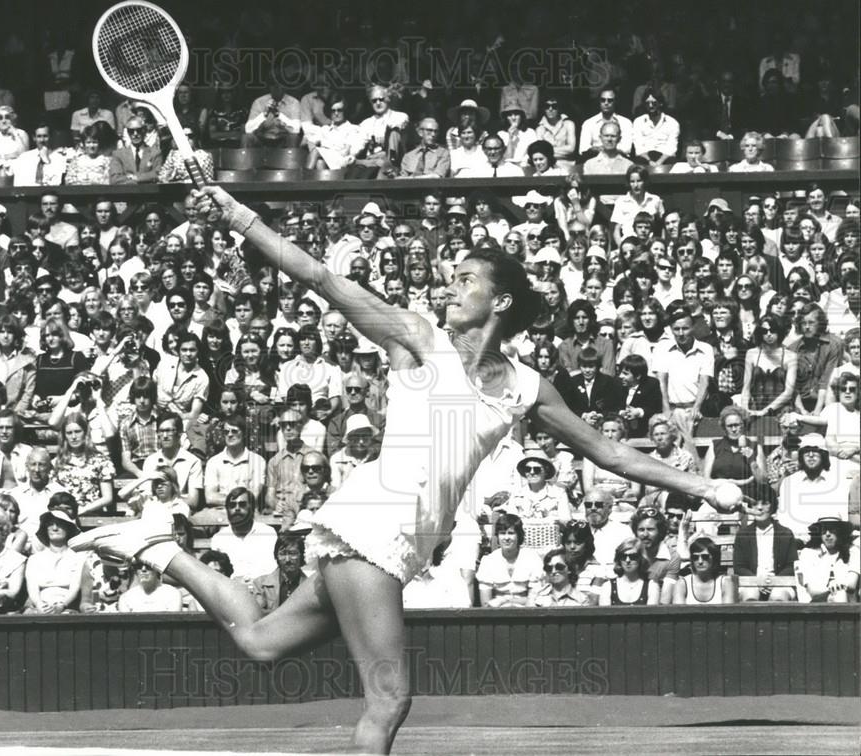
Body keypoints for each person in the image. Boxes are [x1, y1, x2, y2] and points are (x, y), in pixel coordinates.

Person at [73, 184, 735, 754]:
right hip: (374, 529)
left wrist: (701, 484)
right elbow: (322, 279)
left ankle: (156, 547)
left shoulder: (529, 387)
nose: (452, 285)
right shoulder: (420, 340)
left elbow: (609, 451)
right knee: (388, 700)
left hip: (380, 539)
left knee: (262, 643)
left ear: (501, 301)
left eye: (466, 279)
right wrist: (238, 217)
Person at [733, 483, 798, 602]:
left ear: (773, 507)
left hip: (780, 583)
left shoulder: (785, 534)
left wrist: (775, 581)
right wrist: (756, 580)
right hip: (751, 582)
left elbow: (791, 565)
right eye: (754, 504)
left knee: (778, 596)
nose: (759, 508)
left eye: (765, 503)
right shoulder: (743, 535)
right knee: (750, 596)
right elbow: (739, 567)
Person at [475, 514, 542, 607]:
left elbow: (534, 600)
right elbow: (486, 604)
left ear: (519, 535)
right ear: (497, 536)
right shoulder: (488, 561)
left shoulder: (532, 558)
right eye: (502, 533)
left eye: (511, 533)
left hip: (527, 613)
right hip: (496, 615)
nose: (506, 538)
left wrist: (504, 600)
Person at [796, 517, 859, 602]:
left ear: (840, 531)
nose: (828, 534)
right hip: (814, 606)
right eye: (824, 529)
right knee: (839, 594)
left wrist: (838, 584)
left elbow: (852, 584)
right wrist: (833, 587)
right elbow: (812, 590)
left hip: (847, 603)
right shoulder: (808, 553)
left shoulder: (853, 551)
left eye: (832, 529)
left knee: (840, 594)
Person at [251, 533, 307, 613]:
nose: (287, 560)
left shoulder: (310, 586)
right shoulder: (260, 584)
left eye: (293, 553)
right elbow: (256, 613)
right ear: (276, 556)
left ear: (301, 555)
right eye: (282, 554)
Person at [673, 537, 736, 604]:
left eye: (705, 557)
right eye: (695, 557)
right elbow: (679, 613)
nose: (700, 561)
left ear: (714, 558)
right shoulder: (682, 584)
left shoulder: (725, 583)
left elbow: (727, 612)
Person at [598, 537, 660, 606]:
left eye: (633, 556)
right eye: (623, 556)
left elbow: (652, 615)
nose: (627, 560)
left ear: (641, 558)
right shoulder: (607, 586)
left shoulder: (651, 586)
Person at [580, 88, 633, 158]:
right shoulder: (589, 123)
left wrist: (600, 148)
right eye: (603, 100)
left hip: (619, 160)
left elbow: (627, 149)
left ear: (615, 102)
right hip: (594, 160)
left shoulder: (626, 123)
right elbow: (583, 149)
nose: (606, 103)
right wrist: (607, 149)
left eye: (610, 100)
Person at [110, 116, 163, 185]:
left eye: (139, 130)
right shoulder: (118, 154)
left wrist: (136, 178)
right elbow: (115, 179)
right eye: (131, 131)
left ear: (144, 130)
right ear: (128, 132)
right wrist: (139, 180)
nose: (135, 134)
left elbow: (158, 174)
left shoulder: (155, 153)